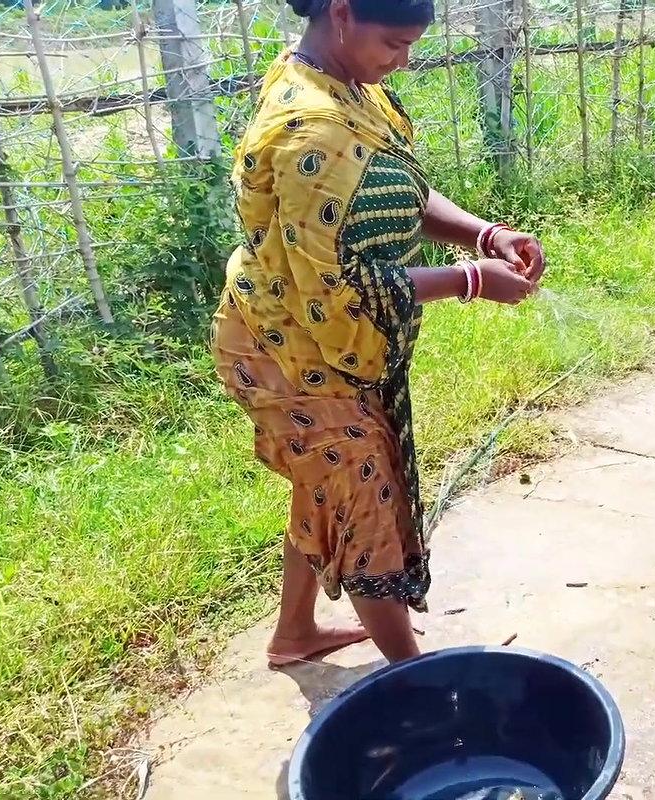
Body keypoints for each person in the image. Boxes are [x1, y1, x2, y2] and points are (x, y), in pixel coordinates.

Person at [212, 0, 547, 667]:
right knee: (365, 502)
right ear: (341, 12)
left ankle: (294, 634)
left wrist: (485, 235)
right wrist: (469, 280)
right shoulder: (311, 130)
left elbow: (404, 195)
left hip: (329, 343)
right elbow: (331, 284)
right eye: (394, 42)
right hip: (285, 350)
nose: (404, 60)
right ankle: (417, 679)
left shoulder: (348, 89)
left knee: (329, 482)